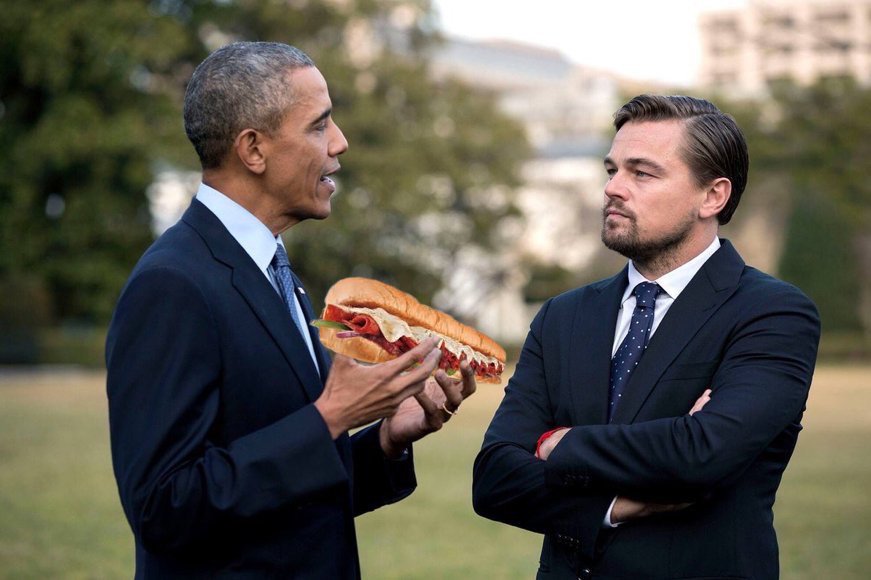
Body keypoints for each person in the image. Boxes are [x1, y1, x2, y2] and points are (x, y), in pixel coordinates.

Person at [106, 41, 476, 579]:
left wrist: (386, 439)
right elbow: (164, 508)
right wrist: (331, 417)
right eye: (319, 125)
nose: (340, 142)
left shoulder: (271, 272)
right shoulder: (173, 284)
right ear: (253, 150)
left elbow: (295, 501)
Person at [472, 94, 820, 579]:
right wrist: (612, 506)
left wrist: (558, 444)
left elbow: (703, 454)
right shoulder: (562, 316)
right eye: (611, 170)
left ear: (712, 196)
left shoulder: (772, 313)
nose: (613, 188)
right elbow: (494, 479)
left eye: (642, 173)